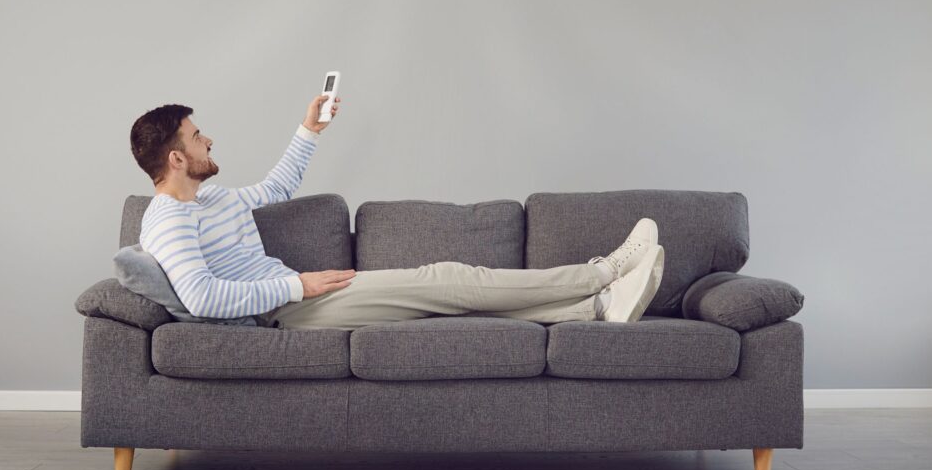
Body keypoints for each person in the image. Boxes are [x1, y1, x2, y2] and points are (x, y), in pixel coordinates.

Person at [128, 96, 665, 330]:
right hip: (286, 313)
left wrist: (310, 129)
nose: (209, 139)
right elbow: (200, 297)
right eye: (198, 137)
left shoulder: (212, 198)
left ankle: (594, 310)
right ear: (177, 157)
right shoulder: (170, 220)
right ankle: (604, 271)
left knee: (445, 302)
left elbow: (278, 186)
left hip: (297, 297)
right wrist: (298, 288)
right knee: (449, 280)